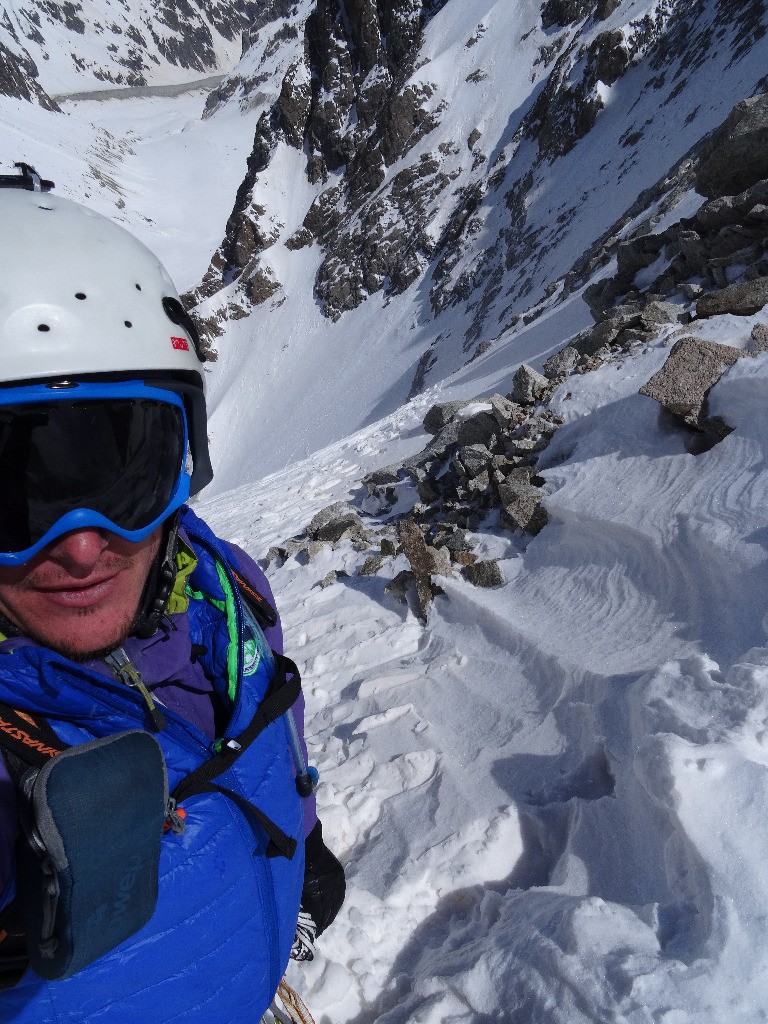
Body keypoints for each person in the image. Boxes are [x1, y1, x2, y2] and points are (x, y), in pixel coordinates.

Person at [0, 164, 344, 1022]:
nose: (81, 546)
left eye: (126, 466)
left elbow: (271, 715)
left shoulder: (221, 591)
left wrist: (303, 845)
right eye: (12, 490)